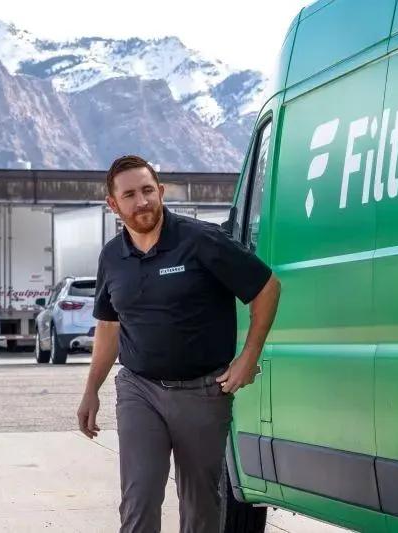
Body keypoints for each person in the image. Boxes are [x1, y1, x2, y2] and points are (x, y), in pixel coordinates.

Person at [76, 155, 281, 533]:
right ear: (113, 204)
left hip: (203, 392)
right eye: (130, 195)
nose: (142, 202)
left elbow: (266, 288)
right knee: (139, 497)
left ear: (161, 191)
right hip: (139, 389)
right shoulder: (112, 257)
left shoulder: (201, 240)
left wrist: (249, 356)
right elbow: (108, 326)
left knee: (201, 504)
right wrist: (92, 389)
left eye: (148, 190)